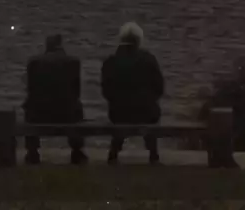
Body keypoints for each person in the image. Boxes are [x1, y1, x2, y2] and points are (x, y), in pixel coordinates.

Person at [101, 22, 164, 164]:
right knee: (150, 113)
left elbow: (106, 91)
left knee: (121, 115)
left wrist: (116, 100)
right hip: (147, 112)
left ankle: (114, 152)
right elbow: (159, 88)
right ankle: (153, 154)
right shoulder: (149, 59)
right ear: (139, 40)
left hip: (118, 113)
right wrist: (149, 99)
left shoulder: (111, 61)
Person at [22, 34, 88, 165]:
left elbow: (31, 91)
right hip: (67, 115)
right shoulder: (73, 62)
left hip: (39, 115)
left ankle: (32, 151)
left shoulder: (34, 63)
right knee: (76, 107)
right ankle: (77, 150)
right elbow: (76, 92)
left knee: (30, 107)